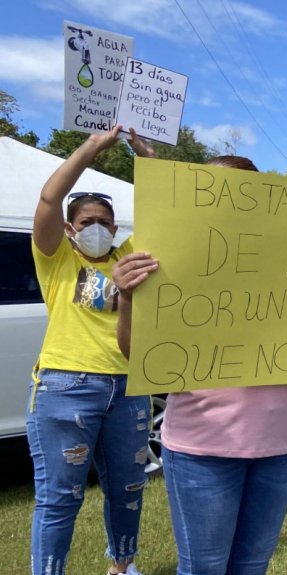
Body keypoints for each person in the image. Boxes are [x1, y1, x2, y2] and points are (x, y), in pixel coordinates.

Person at [112, 155, 287, 575]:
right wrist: (126, 299)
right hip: (201, 448)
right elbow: (135, 355)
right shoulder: (171, 260)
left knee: (252, 565)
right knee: (204, 568)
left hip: (277, 446)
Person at [27, 124, 153, 575]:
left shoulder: (129, 258)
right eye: (87, 223)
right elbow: (47, 199)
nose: (96, 229)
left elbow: (172, 212)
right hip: (67, 386)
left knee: (128, 488)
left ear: (116, 228)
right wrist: (93, 146)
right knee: (60, 497)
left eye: (104, 223)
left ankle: (122, 567)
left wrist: (146, 155)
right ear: (69, 228)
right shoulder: (57, 256)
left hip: (129, 387)